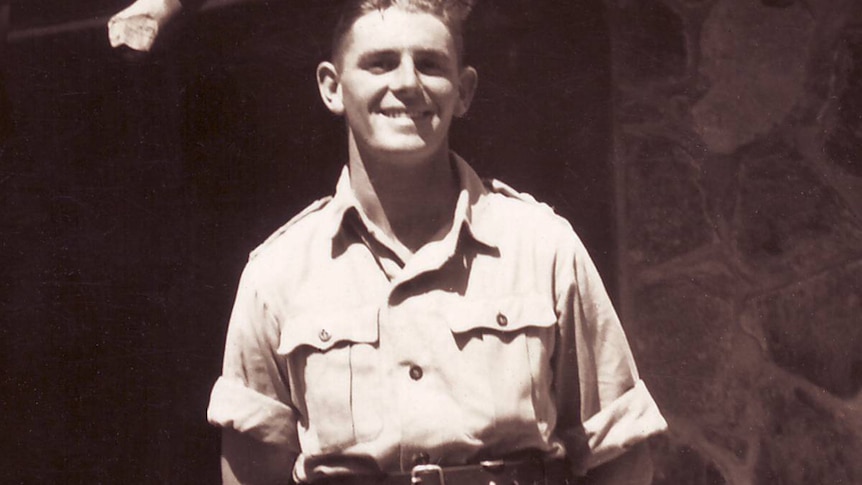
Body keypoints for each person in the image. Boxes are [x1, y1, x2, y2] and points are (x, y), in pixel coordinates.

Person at [206, 1, 667, 484]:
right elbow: (251, 472)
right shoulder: (277, 273)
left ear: (463, 91)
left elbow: (618, 451)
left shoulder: (542, 250)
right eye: (380, 63)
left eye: (429, 64)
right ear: (332, 87)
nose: (407, 83)